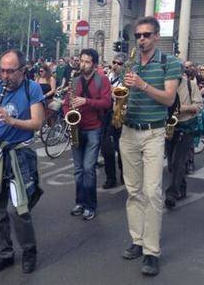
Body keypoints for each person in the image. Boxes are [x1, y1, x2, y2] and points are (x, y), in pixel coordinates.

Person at [119, 16, 181, 276]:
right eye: (138, 36)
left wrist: (142, 85)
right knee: (133, 191)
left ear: (156, 36)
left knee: (152, 192)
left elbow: (168, 99)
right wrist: (118, 101)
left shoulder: (170, 63)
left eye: (146, 35)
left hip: (154, 132)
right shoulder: (130, 63)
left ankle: (151, 251)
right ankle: (137, 239)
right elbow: (124, 92)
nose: (142, 39)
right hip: (128, 131)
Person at [0, 49, 44, 275]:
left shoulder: (31, 88)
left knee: (19, 209)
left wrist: (11, 120)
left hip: (20, 155)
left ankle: (29, 250)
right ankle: (3, 253)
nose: (5, 75)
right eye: (2, 70)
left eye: (10, 71)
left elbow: (37, 123)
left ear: (22, 71)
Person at [63, 48, 111, 220]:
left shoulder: (102, 80)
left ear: (95, 64)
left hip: (93, 128)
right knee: (78, 170)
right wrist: (68, 114)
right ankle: (80, 202)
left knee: (88, 168)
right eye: (81, 61)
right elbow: (66, 103)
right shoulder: (74, 81)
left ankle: (91, 205)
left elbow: (106, 103)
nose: (82, 64)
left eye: (87, 62)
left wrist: (86, 101)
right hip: (77, 127)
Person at [164, 70, 202, 208]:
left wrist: (181, 109)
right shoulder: (163, 84)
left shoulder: (191, 85)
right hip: (169, 126)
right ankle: (182, 189)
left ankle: (171, 194)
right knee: (171, 163)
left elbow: (199, 106)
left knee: (178, 161)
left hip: (186, 127)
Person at [101, 53, 126, 189]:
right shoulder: (108, 77)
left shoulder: (125, 79)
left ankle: (124, 173)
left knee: (121, 148)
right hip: (107, 114)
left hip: (120, 115)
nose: (116, 65)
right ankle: (110, 177)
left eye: (119, 64)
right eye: (114, 62)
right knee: (106, 148)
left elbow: (121, 93)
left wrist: (110, 90)